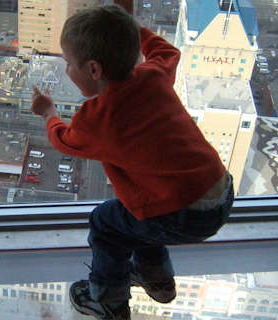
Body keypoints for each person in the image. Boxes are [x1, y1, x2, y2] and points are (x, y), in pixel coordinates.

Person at [30, 4, 234, 320]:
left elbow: (63, 140)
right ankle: (156, 279)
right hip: (220, 193)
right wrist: (126, 28)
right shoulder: (152, 74)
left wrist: (49, 113)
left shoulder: (98, 118)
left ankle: (107, 300)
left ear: (94, 70)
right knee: (136, 217)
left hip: (183, 215)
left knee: (106, 224)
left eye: (69, 63)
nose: (66, 70)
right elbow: (167, 50)